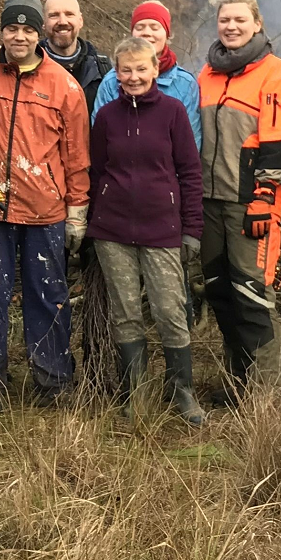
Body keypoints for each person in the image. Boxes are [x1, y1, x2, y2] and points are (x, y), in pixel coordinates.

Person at [0, 0, 90, 409]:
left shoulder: (64, 86)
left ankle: (53, 382)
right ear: (2, 31)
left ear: (40, 34)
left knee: (48, 295)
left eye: (28, 29)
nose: (19, 36)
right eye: (12, 28)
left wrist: (77, 214)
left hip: (45, 210)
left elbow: (76, 156)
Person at [87, 36, 205, 423]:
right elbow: (98, 169)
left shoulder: (173, 112)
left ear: (156, 69)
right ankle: (133, 394)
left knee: (170, 310)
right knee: (125, 313)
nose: (134, 76)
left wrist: (191, 229)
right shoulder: (106, 117)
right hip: (113, 230)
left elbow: (189, 172)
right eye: (126, 70)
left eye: (141, 69)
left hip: (163, 228)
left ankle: (181, 391)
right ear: (116, 74)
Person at [195, 0, 281, 396]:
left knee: (253, 294)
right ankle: (238, 381)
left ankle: (265, 394)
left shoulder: (275, 73)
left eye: (240, 19)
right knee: (219, 291)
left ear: (257, 24)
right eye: (225, 20)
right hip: (207, 201)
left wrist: (265, 197)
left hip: (249, 203)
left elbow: (280, 142)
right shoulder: (207, 73)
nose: (231, 26)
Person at [92, 0, 201, 147]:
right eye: (140, 27)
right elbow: (99, 136)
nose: (147, 33)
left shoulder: (184, 83)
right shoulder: (112, 81)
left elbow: (191, 143)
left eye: (155, 27)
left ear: (167, 34)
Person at [41, 0, 111, 110]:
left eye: (69, 14)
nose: (62, 21)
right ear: (43, 23)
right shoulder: (31, 67)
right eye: (54, 15)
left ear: (80, 20)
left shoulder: (102, 69)